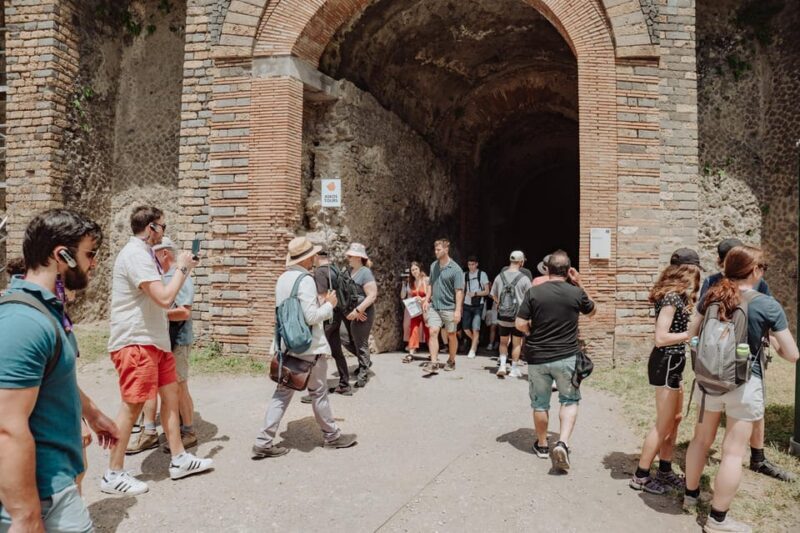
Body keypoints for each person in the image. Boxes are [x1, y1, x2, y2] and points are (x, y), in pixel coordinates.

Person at [0, 209, 119, 532]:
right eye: (89, 254)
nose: (93, 263)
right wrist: (26, 517)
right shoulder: (23, 322)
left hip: (55, 488)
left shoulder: (47, 310)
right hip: (39, 497)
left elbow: (51, 374)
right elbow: (6, 427)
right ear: (61, 255)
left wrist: (91, 413)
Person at [683, 245, 798, 533]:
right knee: (733, 452)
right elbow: (793, 354)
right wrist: (768, 342)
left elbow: (691, 333)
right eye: (763, 268)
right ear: (755, 271)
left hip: (708, 381)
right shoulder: (767, 305)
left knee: (700, 441)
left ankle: (690, 496)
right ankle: (717, 519)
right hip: (744, 384)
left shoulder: (711, 295)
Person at [103, 206, 212, 496]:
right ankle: (112, 473)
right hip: (136, 340)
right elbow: (164, 298)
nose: (165, 231)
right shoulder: (135, 254)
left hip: (156, 340)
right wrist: (184, 268)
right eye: (162, 226)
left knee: (170, 398)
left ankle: (179, 459)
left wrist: (178, 268)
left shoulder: (146, 256)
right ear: (151, 228)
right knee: (133, 405)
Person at [251, 237, 357, 458]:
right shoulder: (305, 280)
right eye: (314, 255)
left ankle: (263, 440)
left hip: (286, 344)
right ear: (308, 257)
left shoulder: (282, 279)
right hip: (308, 347)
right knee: (318, 391)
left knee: (282, 392)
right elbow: (310, 317)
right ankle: (332, 436)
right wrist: (330, 305)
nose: (316, 258)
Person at [698, 239, 788, 482]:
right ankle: (753, 459)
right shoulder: (712, 283)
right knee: (737, 438)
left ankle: (757, 457)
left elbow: (765, 321)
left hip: (718, 363)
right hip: (734, 363)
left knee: (748, 414)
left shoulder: (718, 285)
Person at [515, 250, 596, 472]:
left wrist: (532, 330)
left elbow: (519, 323)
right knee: (569, 400)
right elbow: (592, 311)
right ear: (568, 270)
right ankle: (562, 443)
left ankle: (542, 445)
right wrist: (579, 282)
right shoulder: (575, 293)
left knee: (540, 403)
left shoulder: (534, 293)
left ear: (547, 269)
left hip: (538, 357)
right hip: (567, 357)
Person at [629, 248, 701, 495]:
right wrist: (690, 335)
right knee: (663, 423)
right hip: (665, 362)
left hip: (675, 362)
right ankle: (640, 475)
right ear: (687, 271)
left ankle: (665, 470)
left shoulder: (679, 295)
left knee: (675, 419)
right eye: (695, 271)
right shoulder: (671, 297)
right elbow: (660, 337)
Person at [311, 249, 352, 396]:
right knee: (336, 351)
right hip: (337, 314)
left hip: (328, 315)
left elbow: (322, 297)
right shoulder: (334, 269)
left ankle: (316, 390)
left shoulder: (320, 272)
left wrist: (317, 315)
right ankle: (344, 384)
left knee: (316, 350)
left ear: (317, 257)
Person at [422, 239, 464, 374]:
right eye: (435, 249)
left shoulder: (456, 269)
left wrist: (458, 310)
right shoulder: (434, 265)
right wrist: (426, 300)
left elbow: (459, 291)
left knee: (451, 335)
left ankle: (451, 360)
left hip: (450, 307)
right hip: (435, 306)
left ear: (446, 249)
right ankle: (434, 362)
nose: (436, 252)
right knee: (433, 332)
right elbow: (430, 284)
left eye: (438, 249)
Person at [342, 243, 378, 388]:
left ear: (358, 257)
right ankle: (365, 361)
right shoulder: (349, 271)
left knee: (360, 341)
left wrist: (359, 311)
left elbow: (372, 295)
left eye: (350, 256)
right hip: (351, 312)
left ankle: (363, 371)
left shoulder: (365, 272)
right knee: (344, 337)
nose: (348, 258)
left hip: (364, 312)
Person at [491, 251, 532, 378]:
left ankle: (502, 365)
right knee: (516, 343)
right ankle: (514, 368)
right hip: (518, 317)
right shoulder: (524, 278)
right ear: (521, 262)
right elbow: (530, 298)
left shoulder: (499, 277)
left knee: (503, 342)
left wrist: (501, 304)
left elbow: (493, 295)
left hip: (503, 316)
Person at [462, 256, 490, 359]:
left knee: (476, 328)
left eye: (473, 264)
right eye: (469, 265)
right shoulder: (465, 275)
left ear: (477, 264)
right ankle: (476, 340)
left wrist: (475, 293)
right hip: (466, 304)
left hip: (478, 304)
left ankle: (472, 350)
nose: (471, 267)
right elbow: (462, 290)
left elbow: (487, 291)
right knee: (465, 327)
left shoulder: (482, 274)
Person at [402, 262, 429, 363]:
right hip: (415, 310)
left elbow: (431, 294)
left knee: (428, 331)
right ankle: (411, 353)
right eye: (412, 270)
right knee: (414, 329)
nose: (414, 272)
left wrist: (422, 299)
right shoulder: (411, 282)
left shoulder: (426, 280)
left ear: (420, 269)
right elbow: (404, 295)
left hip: (425, 308)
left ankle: (432, 352)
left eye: (416, 269)